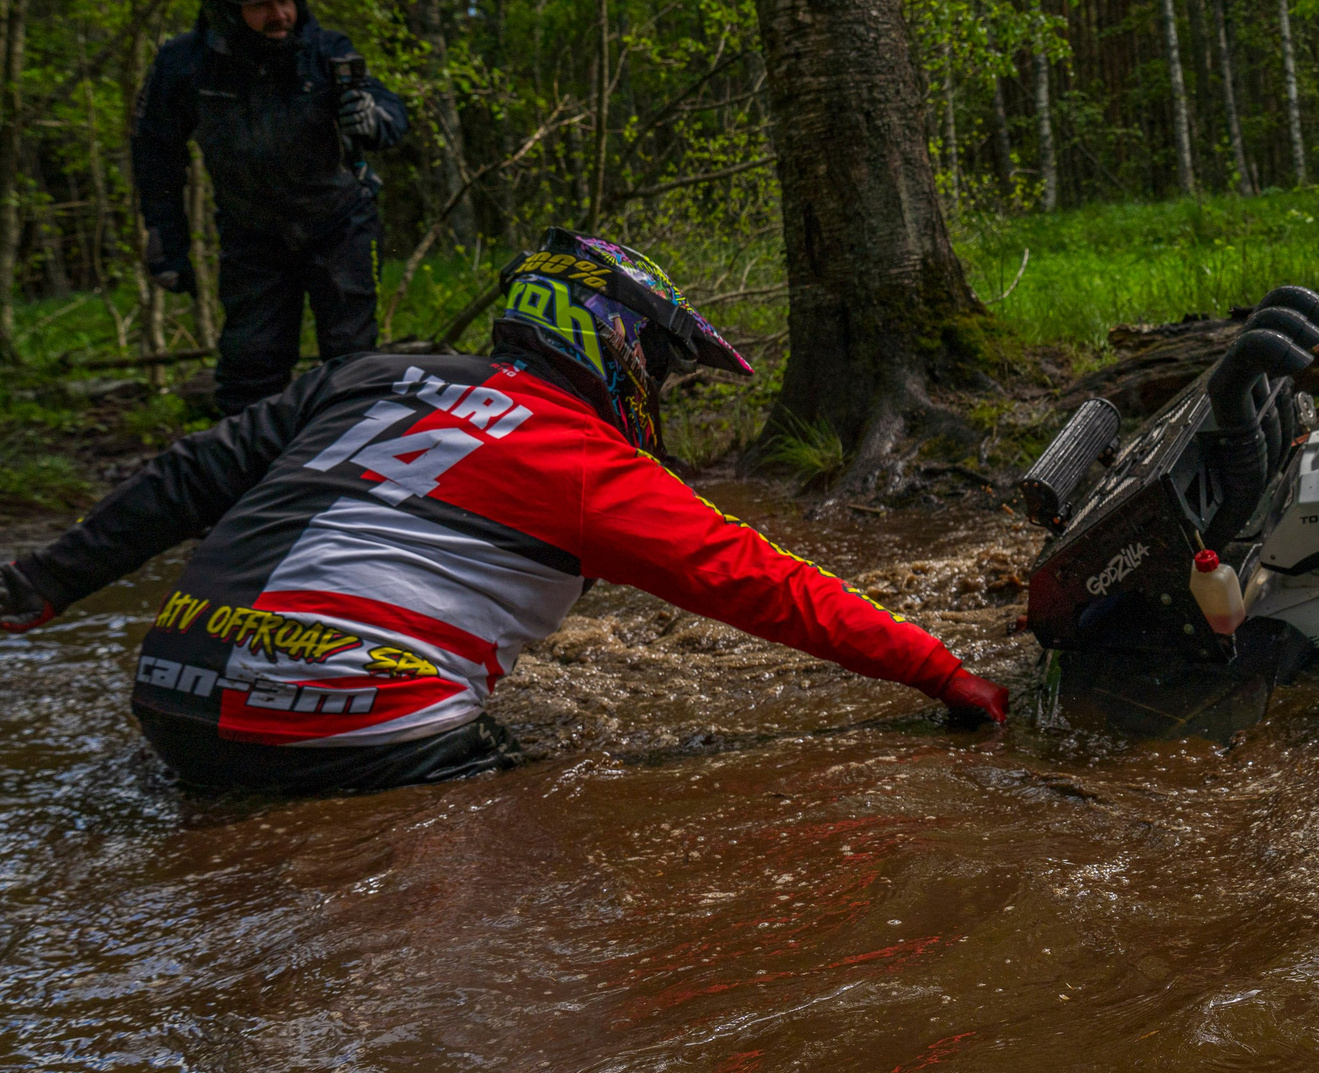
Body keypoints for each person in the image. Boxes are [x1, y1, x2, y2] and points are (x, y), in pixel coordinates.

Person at [0, 231, 1007, 794]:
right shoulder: (587, 462)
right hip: (349, 721)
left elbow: (188, 478)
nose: (658, 384)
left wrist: (46, 584)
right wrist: (947, 672)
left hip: (176, 693)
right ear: (615, 341)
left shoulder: (376, 372)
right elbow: (770, 587)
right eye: (660, 362)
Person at [133, 0, 410, 415]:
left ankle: (352, 471)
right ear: (224, 6)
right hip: (252, 233)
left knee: (352, 360)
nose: (280, 14)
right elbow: (157, 153)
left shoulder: (325, 50)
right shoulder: (184, 65)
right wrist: (165, 239)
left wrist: (373, 116)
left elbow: (391, 116)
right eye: (261, 4)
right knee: (250, 364)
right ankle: (246, 476)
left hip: (339, 223)